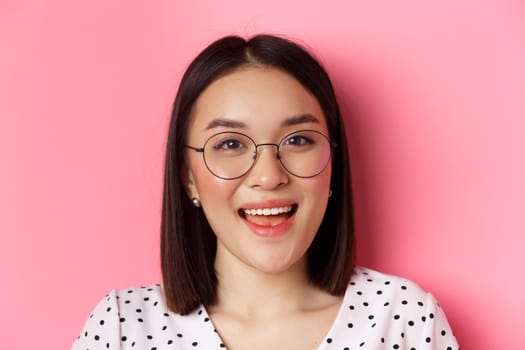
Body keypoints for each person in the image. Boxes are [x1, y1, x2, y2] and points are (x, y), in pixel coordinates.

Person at [72, 34, 459, 350]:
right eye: (229, 144)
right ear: (188, 177)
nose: (269, 176)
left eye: (298, 140)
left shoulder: (404, 318)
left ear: (332, 166)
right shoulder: (121, 328)